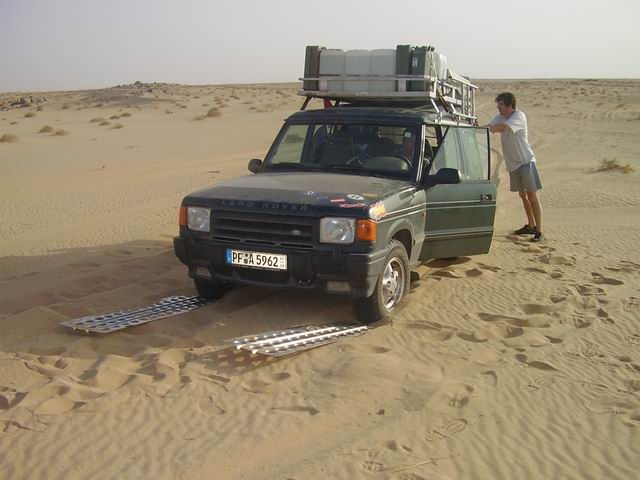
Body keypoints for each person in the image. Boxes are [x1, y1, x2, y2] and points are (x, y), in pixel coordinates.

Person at [488, 92, 544, 242]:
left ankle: (539, 231)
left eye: (500, 104)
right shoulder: (500, 116)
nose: (498, 107)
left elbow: (502, 127)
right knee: (522, 195)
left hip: (525, 161)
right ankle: (530, 225)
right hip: (513, 164)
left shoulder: (519, 116)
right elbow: (491, 127)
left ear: (509, 105)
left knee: (532, 195)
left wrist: (493, 128)